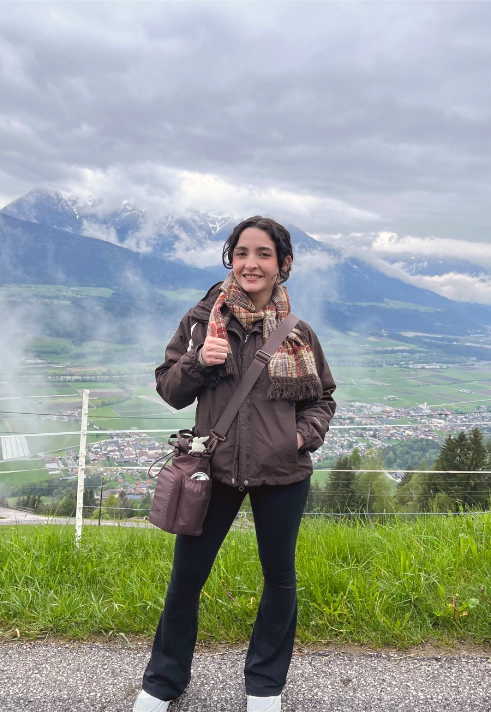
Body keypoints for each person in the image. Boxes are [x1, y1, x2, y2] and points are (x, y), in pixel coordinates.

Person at [134, 216, 336, 712]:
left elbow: (322, 399)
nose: (251, 263)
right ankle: (163, 683)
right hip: (214, 469)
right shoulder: (202, 321)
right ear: (231, 258)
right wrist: (199, 359)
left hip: (283, 473)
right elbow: (169, 390)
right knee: (186, 580)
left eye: (264, 254)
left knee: (279, 579)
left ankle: (265, 688)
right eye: (242, 252)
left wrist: (299, 437)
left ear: (282, 265)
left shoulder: (299, 332)